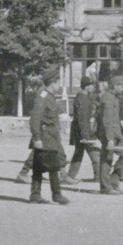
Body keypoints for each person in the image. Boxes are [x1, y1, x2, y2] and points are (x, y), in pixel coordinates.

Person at [28, 70, 70, 204]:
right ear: (53, 82)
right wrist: (37, 138)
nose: (59, 85)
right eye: (58, 82)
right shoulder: (43, 97)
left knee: (38, 167)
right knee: (53, 167)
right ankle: (56, 195)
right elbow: (35, 119)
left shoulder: (50, 97)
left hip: (50, 137)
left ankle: (35, 195)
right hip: (45, 138)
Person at [96, 75, 123, 194]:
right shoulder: (108, 98)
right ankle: (105, 187)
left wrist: (122, 133)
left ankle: (113, 181)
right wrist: (109, 138)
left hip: (117, 134)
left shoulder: (114, 97)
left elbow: (115, 119)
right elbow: (107, 119)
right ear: (115, 85)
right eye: (122, 86)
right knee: (107, 159)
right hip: (108, 134)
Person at [64, 75, 99, 185]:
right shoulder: (82, 99)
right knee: (94, 153)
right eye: (92, 85)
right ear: (87, 86)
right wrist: (85, 136)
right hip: (83, 132)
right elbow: (82, 118)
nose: (93, 88)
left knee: (79, 153)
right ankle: (99, 176)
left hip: (82, 131)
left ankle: (70, 176)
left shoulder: (83, 97)